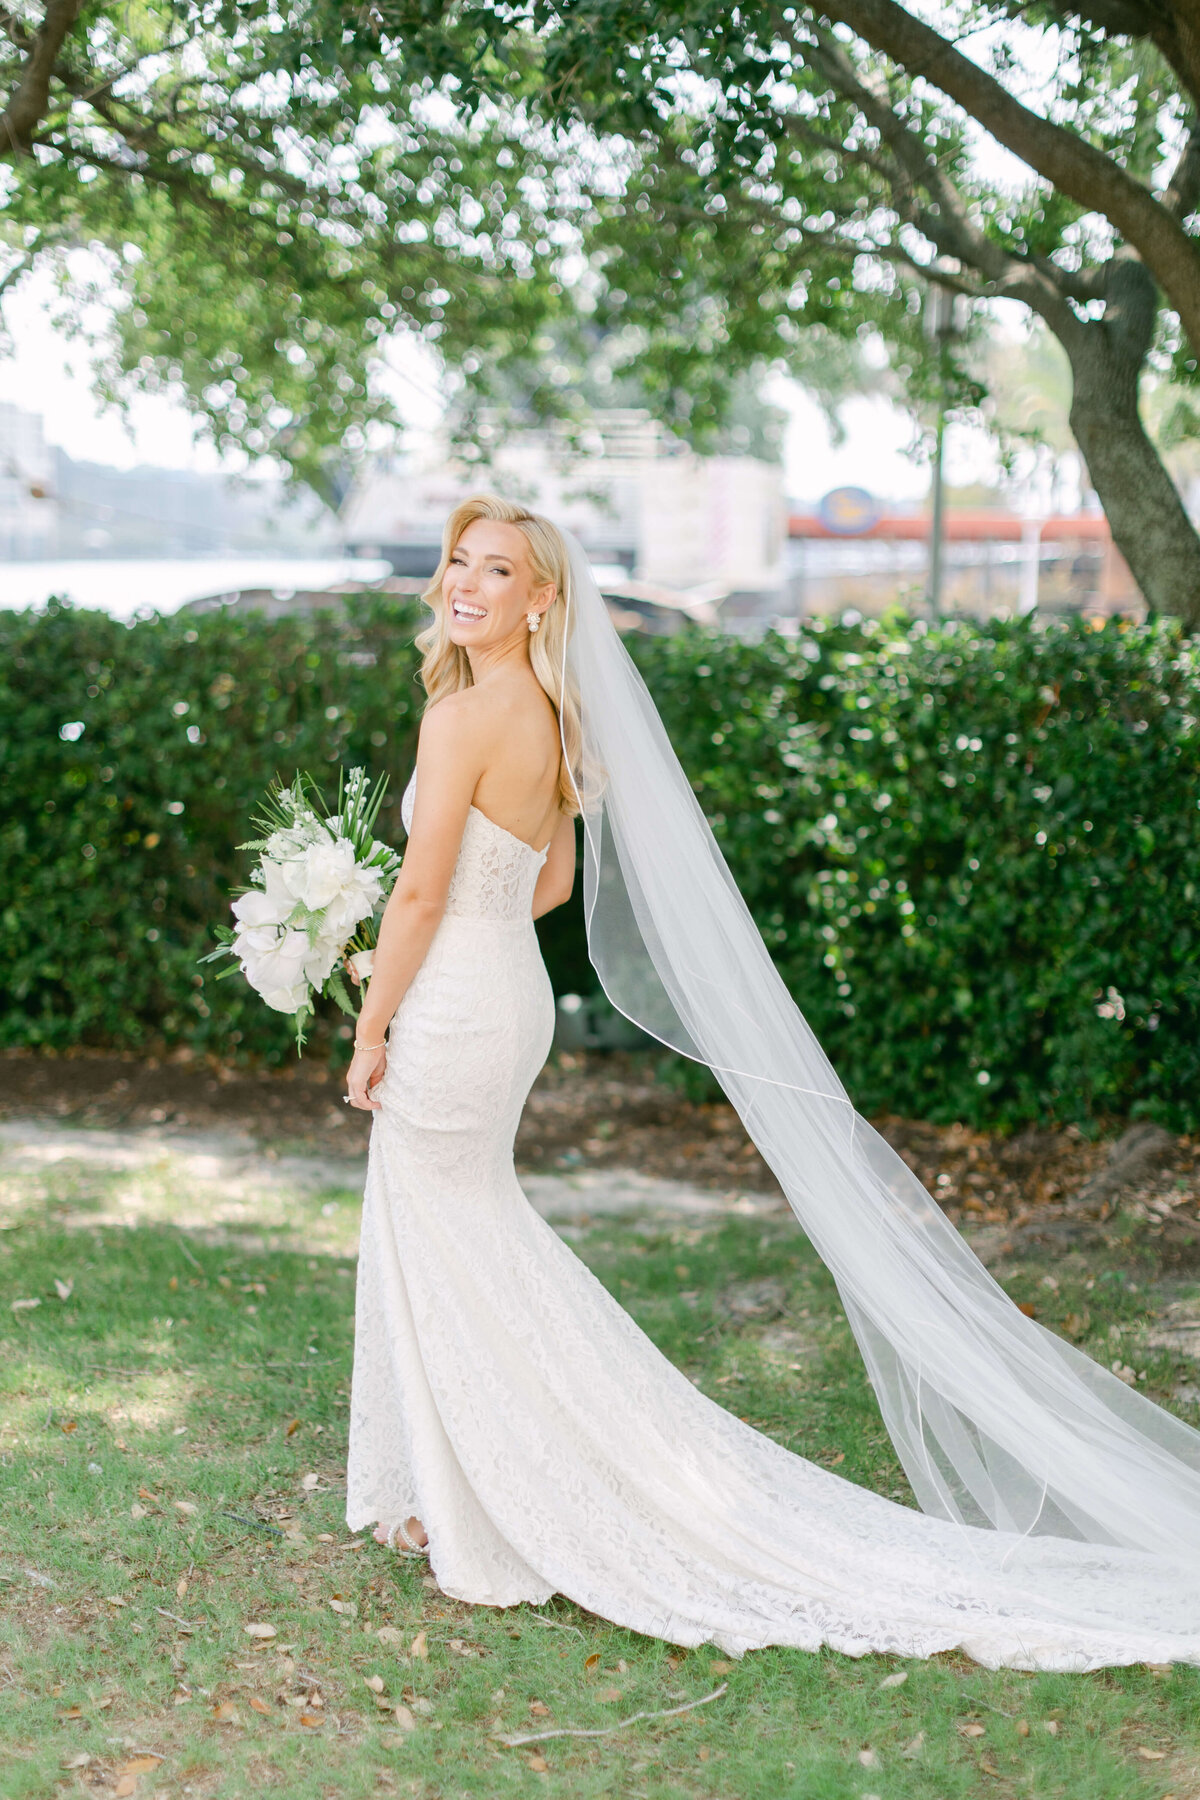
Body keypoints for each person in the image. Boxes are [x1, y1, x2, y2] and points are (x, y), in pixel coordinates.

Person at [341, 493, 1200, 1670]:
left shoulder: (462, 716)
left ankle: (500, 1492)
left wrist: (370, 1017)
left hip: (452, 1002)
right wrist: (427, 953)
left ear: (542, 596)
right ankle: (456, 1484)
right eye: (458, 562)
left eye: (496, 570)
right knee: (463, 1229)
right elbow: (544, 888)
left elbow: (422, 896)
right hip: (508, 998)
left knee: (454, 1232)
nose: (466, 584)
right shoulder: (548, 709)